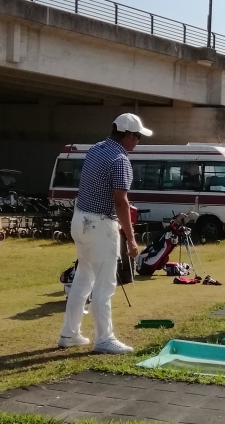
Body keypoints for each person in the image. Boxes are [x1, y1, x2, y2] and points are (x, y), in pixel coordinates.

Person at [58, 113, 150, 354]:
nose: (138, 141)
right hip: (99, 225)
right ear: (128, 136)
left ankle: (69, 334)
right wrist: (131, 238)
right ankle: (104, 339)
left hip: (80, 220)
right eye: (138, 137)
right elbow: (121, 202)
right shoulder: (120, 159)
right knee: (104, 286)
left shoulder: (97, 149)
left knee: (82, 279)